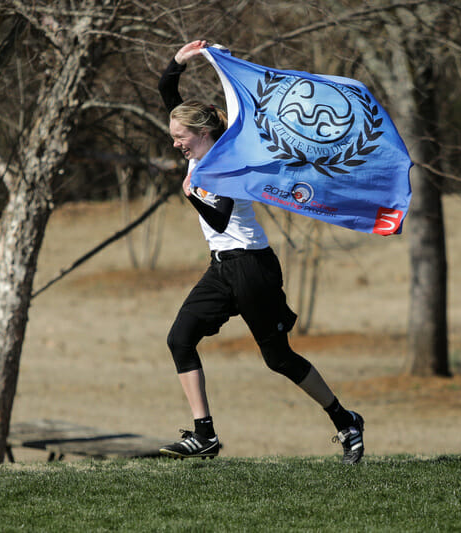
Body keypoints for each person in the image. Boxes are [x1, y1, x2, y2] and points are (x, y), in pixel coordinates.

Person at [157, 40, 364, 464]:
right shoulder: (197, 149)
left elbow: (219, 218)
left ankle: (346, 422)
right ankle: (205, 436)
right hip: (221, 268)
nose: (175, 143)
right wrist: (180, 60)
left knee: (278, 358)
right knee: (180, 339)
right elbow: (168, 95)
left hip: (253, 266)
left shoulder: (229, 159)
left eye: (180, 137)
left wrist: (191, 195)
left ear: (202, 133)